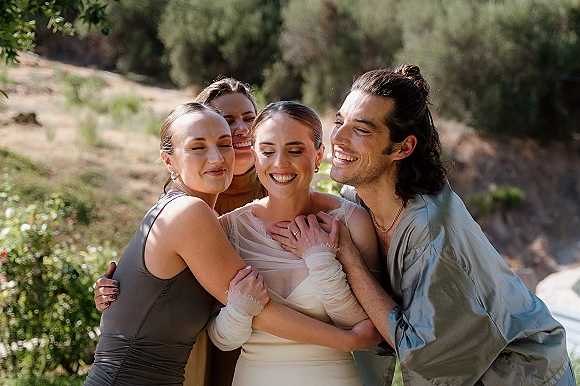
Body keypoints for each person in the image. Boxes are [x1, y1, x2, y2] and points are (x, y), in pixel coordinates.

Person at [272, 64, 576, 385]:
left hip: (522, 374)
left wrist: (348, 256)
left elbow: (423, 351)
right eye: (339, 122)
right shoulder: (354, 199)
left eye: (361, 129)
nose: (340, 138)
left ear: (403, 147)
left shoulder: (429, 229)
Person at [84, 102, 380, 385]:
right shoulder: (194, 214)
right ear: (168, 160)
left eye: (224, 144)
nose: (216, 157)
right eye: (198, 147)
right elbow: (255, 309)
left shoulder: (207, 220)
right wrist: (350, 339)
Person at [206, 101, 381, 385]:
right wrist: (239, 309)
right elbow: (222, 340)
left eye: (295, 150)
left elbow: (370, 329)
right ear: (254, 156)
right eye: (267, 151)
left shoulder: (351, 220)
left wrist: (320, 258)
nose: (280, 163)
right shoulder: (228, 229)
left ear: (318, 156)